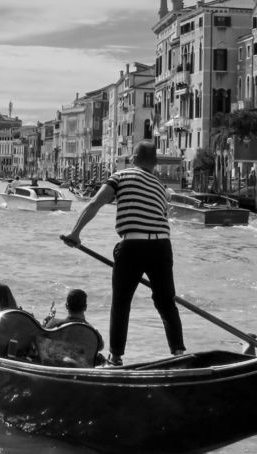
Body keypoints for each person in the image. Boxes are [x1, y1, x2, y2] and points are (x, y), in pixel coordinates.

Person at [63, 141, 185, 366]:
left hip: (133, 246)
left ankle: (116, 356)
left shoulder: (120, 176)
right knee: (166, 302)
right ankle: (178, 352)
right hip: (162, 247)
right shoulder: (160, 186)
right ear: (155, 163)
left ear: (133, 158)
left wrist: (75, 233)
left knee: (121, 303)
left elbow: (95, 203)